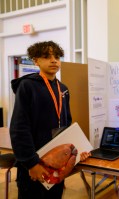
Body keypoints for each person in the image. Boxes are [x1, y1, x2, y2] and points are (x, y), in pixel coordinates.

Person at [10, 41, 90, 199]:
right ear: (36, 60)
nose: (54, 60)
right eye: (47, 57)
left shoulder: (63, 89)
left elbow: (66, 125)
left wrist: (78, 150)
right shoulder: (27, 86)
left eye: (57, 56)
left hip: (57, 161)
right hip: (35, 162)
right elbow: (19, 129)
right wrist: (31, 163)